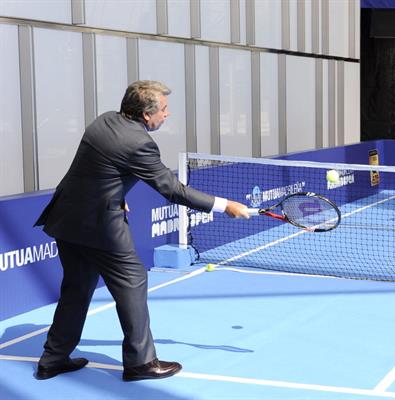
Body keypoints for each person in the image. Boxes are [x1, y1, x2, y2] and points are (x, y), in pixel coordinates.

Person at [34, 80, 249, 381]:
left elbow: (99, 167)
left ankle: (52, 358)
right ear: (146, 115)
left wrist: (116, 196)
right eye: (163, 109)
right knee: (133, 281)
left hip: (67, 219)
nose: (168, 114)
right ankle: (140, 363)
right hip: (100, 227)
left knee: (77, 289)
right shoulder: (139, 143)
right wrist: (224, 205)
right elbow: (172, 189)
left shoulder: (105, 120)